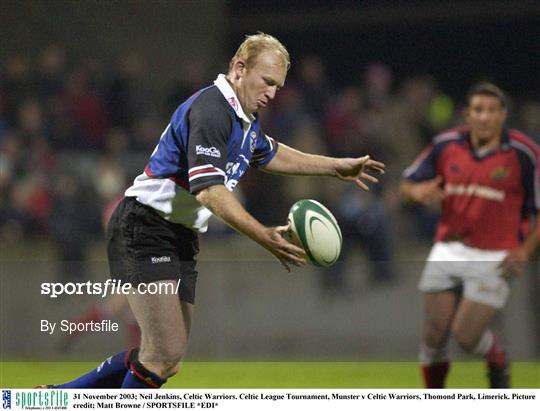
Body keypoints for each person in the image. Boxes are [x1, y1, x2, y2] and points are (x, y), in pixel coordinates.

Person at [42, 33, 385, 389]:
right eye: (267, 81)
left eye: (278, 86)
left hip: (178, 233)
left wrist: (335, 167)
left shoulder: (245, 121)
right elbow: (208, 192)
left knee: (165, 357)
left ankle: (59, 396)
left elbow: (272, 152)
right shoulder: (212, 109)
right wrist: (262, 234)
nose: (272, 93)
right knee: (162, 354)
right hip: (145, 224)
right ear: (239, 68)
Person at [400, 82, 540, 388]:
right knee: (434, 335)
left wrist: (524, 251)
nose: (484, 117)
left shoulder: (522, 153)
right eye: (478, 109)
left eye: (491, 110)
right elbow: (406, 186)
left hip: (495, 254)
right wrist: (417, 191)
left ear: (503, 115)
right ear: (467, 114)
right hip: (449, 247)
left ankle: (497, 358)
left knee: (465, 336)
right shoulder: (445, 145)